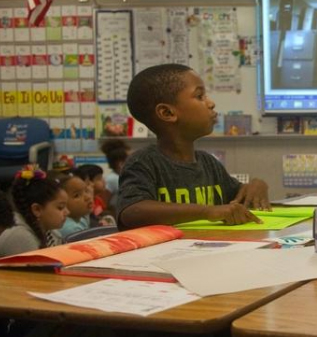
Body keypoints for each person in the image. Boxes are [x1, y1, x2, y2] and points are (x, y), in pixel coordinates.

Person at [118, 64, 270, 229]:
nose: (211, 103)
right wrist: (206, 212)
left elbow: (238, 198)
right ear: (167, 113)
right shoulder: (144, 162)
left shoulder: (209, 164)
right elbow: (132, 212)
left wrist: (256, 185)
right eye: (200, 96)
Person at [0, 165, 68, 257]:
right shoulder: (20, 237)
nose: (67, 212)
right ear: (37, 209)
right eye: (60, 207)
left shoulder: (53, 233)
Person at [54, 171, 93, 238]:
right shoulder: (71, 229)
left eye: (86, 191)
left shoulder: (81, 219)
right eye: (77, 195)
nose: (88, 197)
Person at [100, 139, 130, 212]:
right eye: (129, 159)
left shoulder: (121, 178)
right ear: (120, 164)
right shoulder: (113, 179)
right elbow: (103, 203)